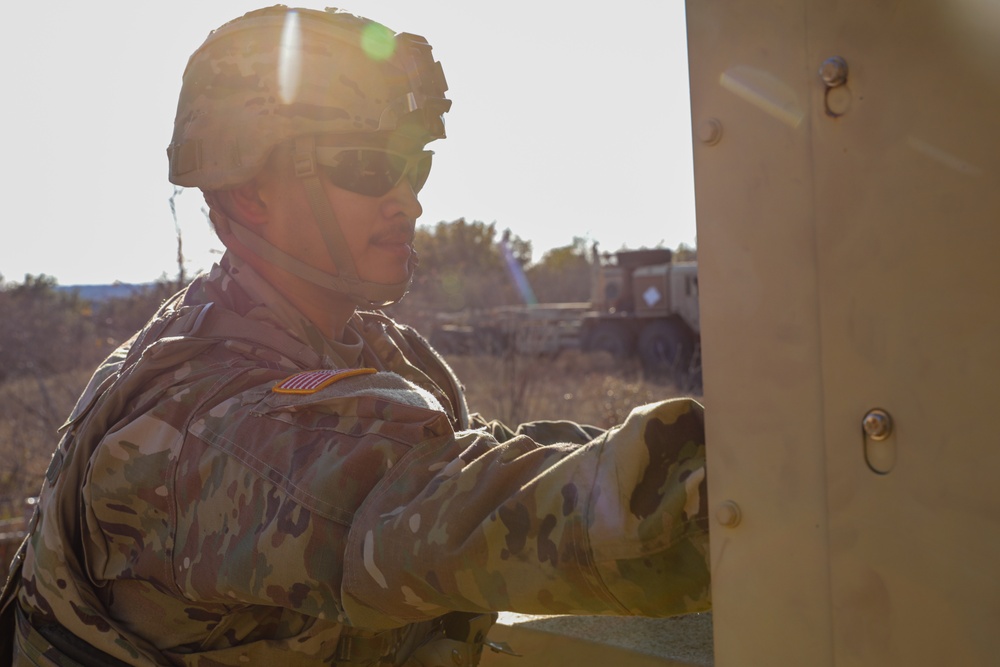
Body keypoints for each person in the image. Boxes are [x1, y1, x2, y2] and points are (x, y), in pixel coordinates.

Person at [1, 6, 710, 665]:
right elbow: (426, 507)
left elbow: (467, 456)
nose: (408, 197)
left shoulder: (367, 346)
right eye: (368, 165)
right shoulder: (207, 424)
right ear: (250, 192)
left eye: (413, 163)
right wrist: (737, 506)